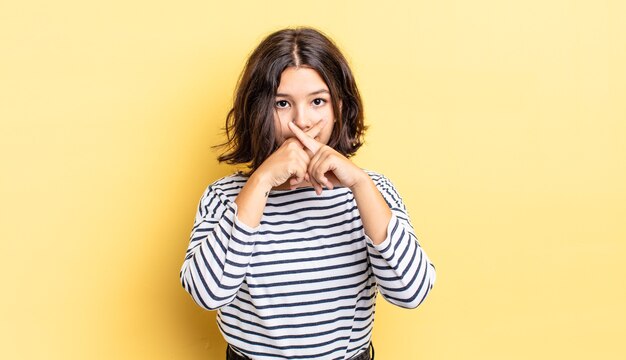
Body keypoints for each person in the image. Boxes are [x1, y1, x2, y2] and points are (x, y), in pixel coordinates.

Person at [180, 27, 436, 360]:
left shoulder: (373, 191)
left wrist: (360, 185)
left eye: (318, 101)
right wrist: (259, 183)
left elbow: (412, 292)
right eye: (282, 104)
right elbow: (207, 293)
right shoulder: (224, 196)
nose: (302, 121)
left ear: (339, 107)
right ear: (258, 110)